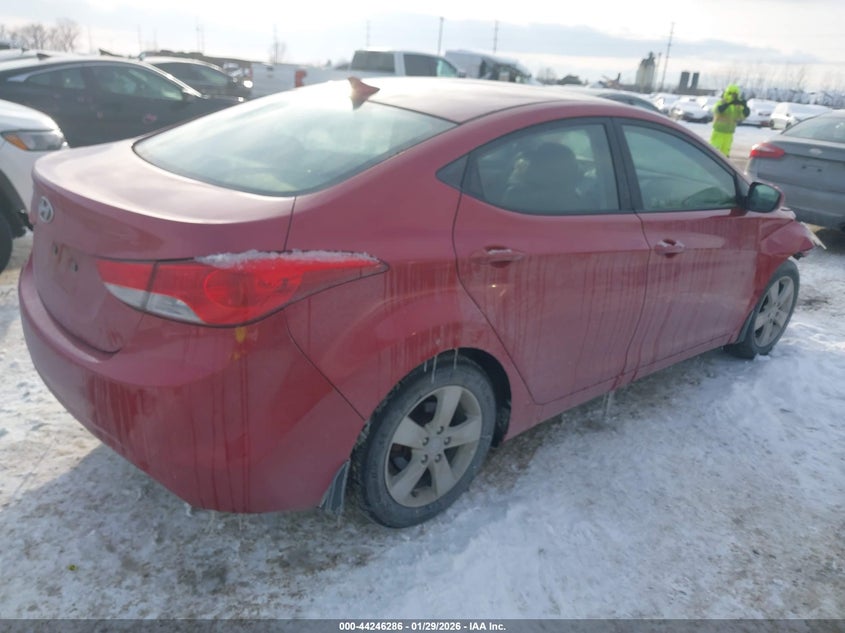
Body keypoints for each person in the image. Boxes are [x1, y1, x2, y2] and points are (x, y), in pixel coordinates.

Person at [709, 84, 750, 157]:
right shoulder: (721, 103)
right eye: (733, 94)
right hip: (718, 132)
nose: (734, 97)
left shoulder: (736, 106)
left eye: (736, 95)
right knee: (714, 152)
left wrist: (745, 107)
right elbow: (717, 110)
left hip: (729, 134)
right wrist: (728, 104)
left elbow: (742, 116)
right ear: (728, 93)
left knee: (725, 154)